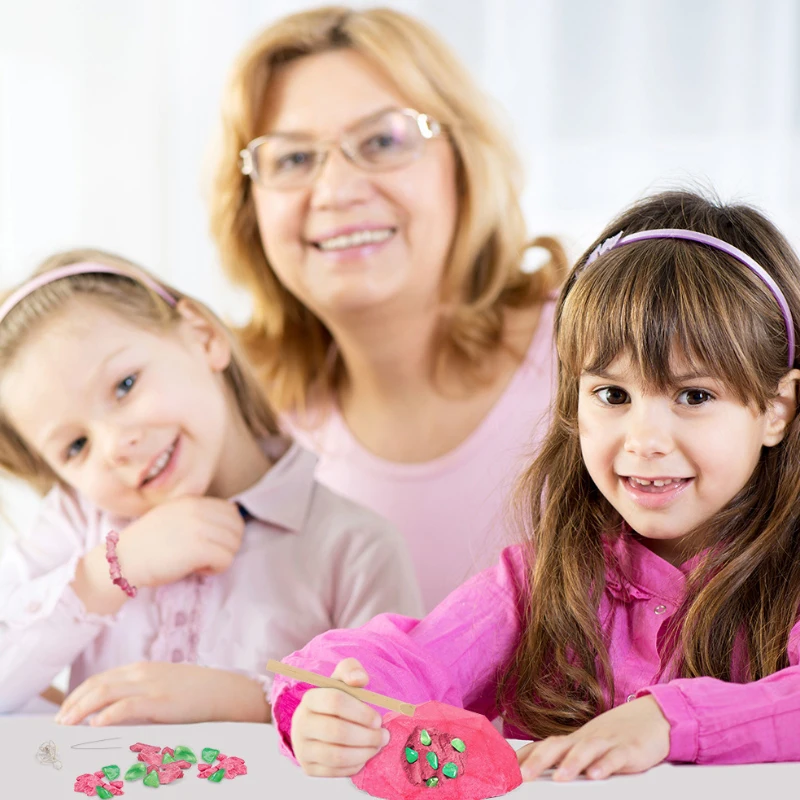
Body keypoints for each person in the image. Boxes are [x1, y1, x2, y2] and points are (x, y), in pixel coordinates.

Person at [269, 190, 800, 780]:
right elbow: (411, 661)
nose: (644, 439)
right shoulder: (538, 582)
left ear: (776, 409)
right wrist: (340, 707)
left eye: (694, 396)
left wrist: (667, 720)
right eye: (613, 395)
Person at [210, 6, 566, 611]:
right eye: (294, 158)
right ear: (250, 209)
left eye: (383, 140)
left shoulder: (599, 353)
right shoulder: (246, 425)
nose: (338, 191)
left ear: (462, 163)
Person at [0, 249, 423, 723]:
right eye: (76, 445)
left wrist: (249, 702)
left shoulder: (354, 547)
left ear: (202, 337)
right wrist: (111, 571)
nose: (117, 445)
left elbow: (400, 726)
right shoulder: (79, 524)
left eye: (125, 385)